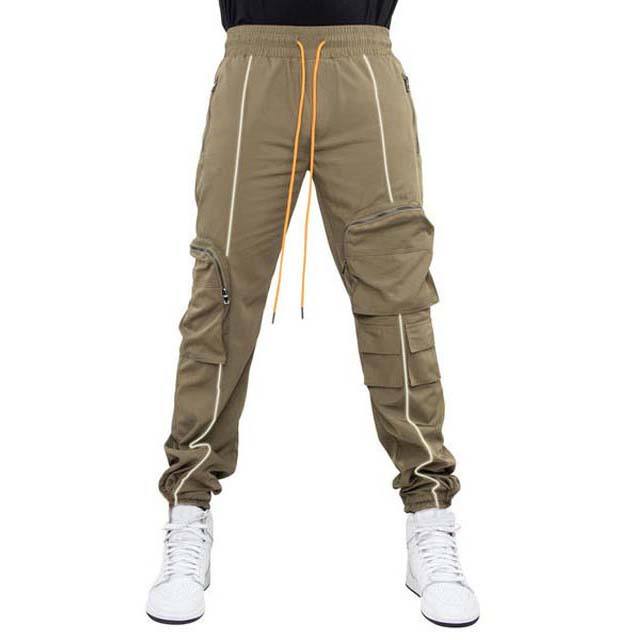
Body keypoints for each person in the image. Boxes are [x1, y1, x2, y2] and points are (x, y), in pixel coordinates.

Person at [146, 0, 479, 627]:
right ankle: (188, 509)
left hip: (363, 60)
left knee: (397, 294)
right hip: (254, 64)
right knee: (220, 290)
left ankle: (430, 512)